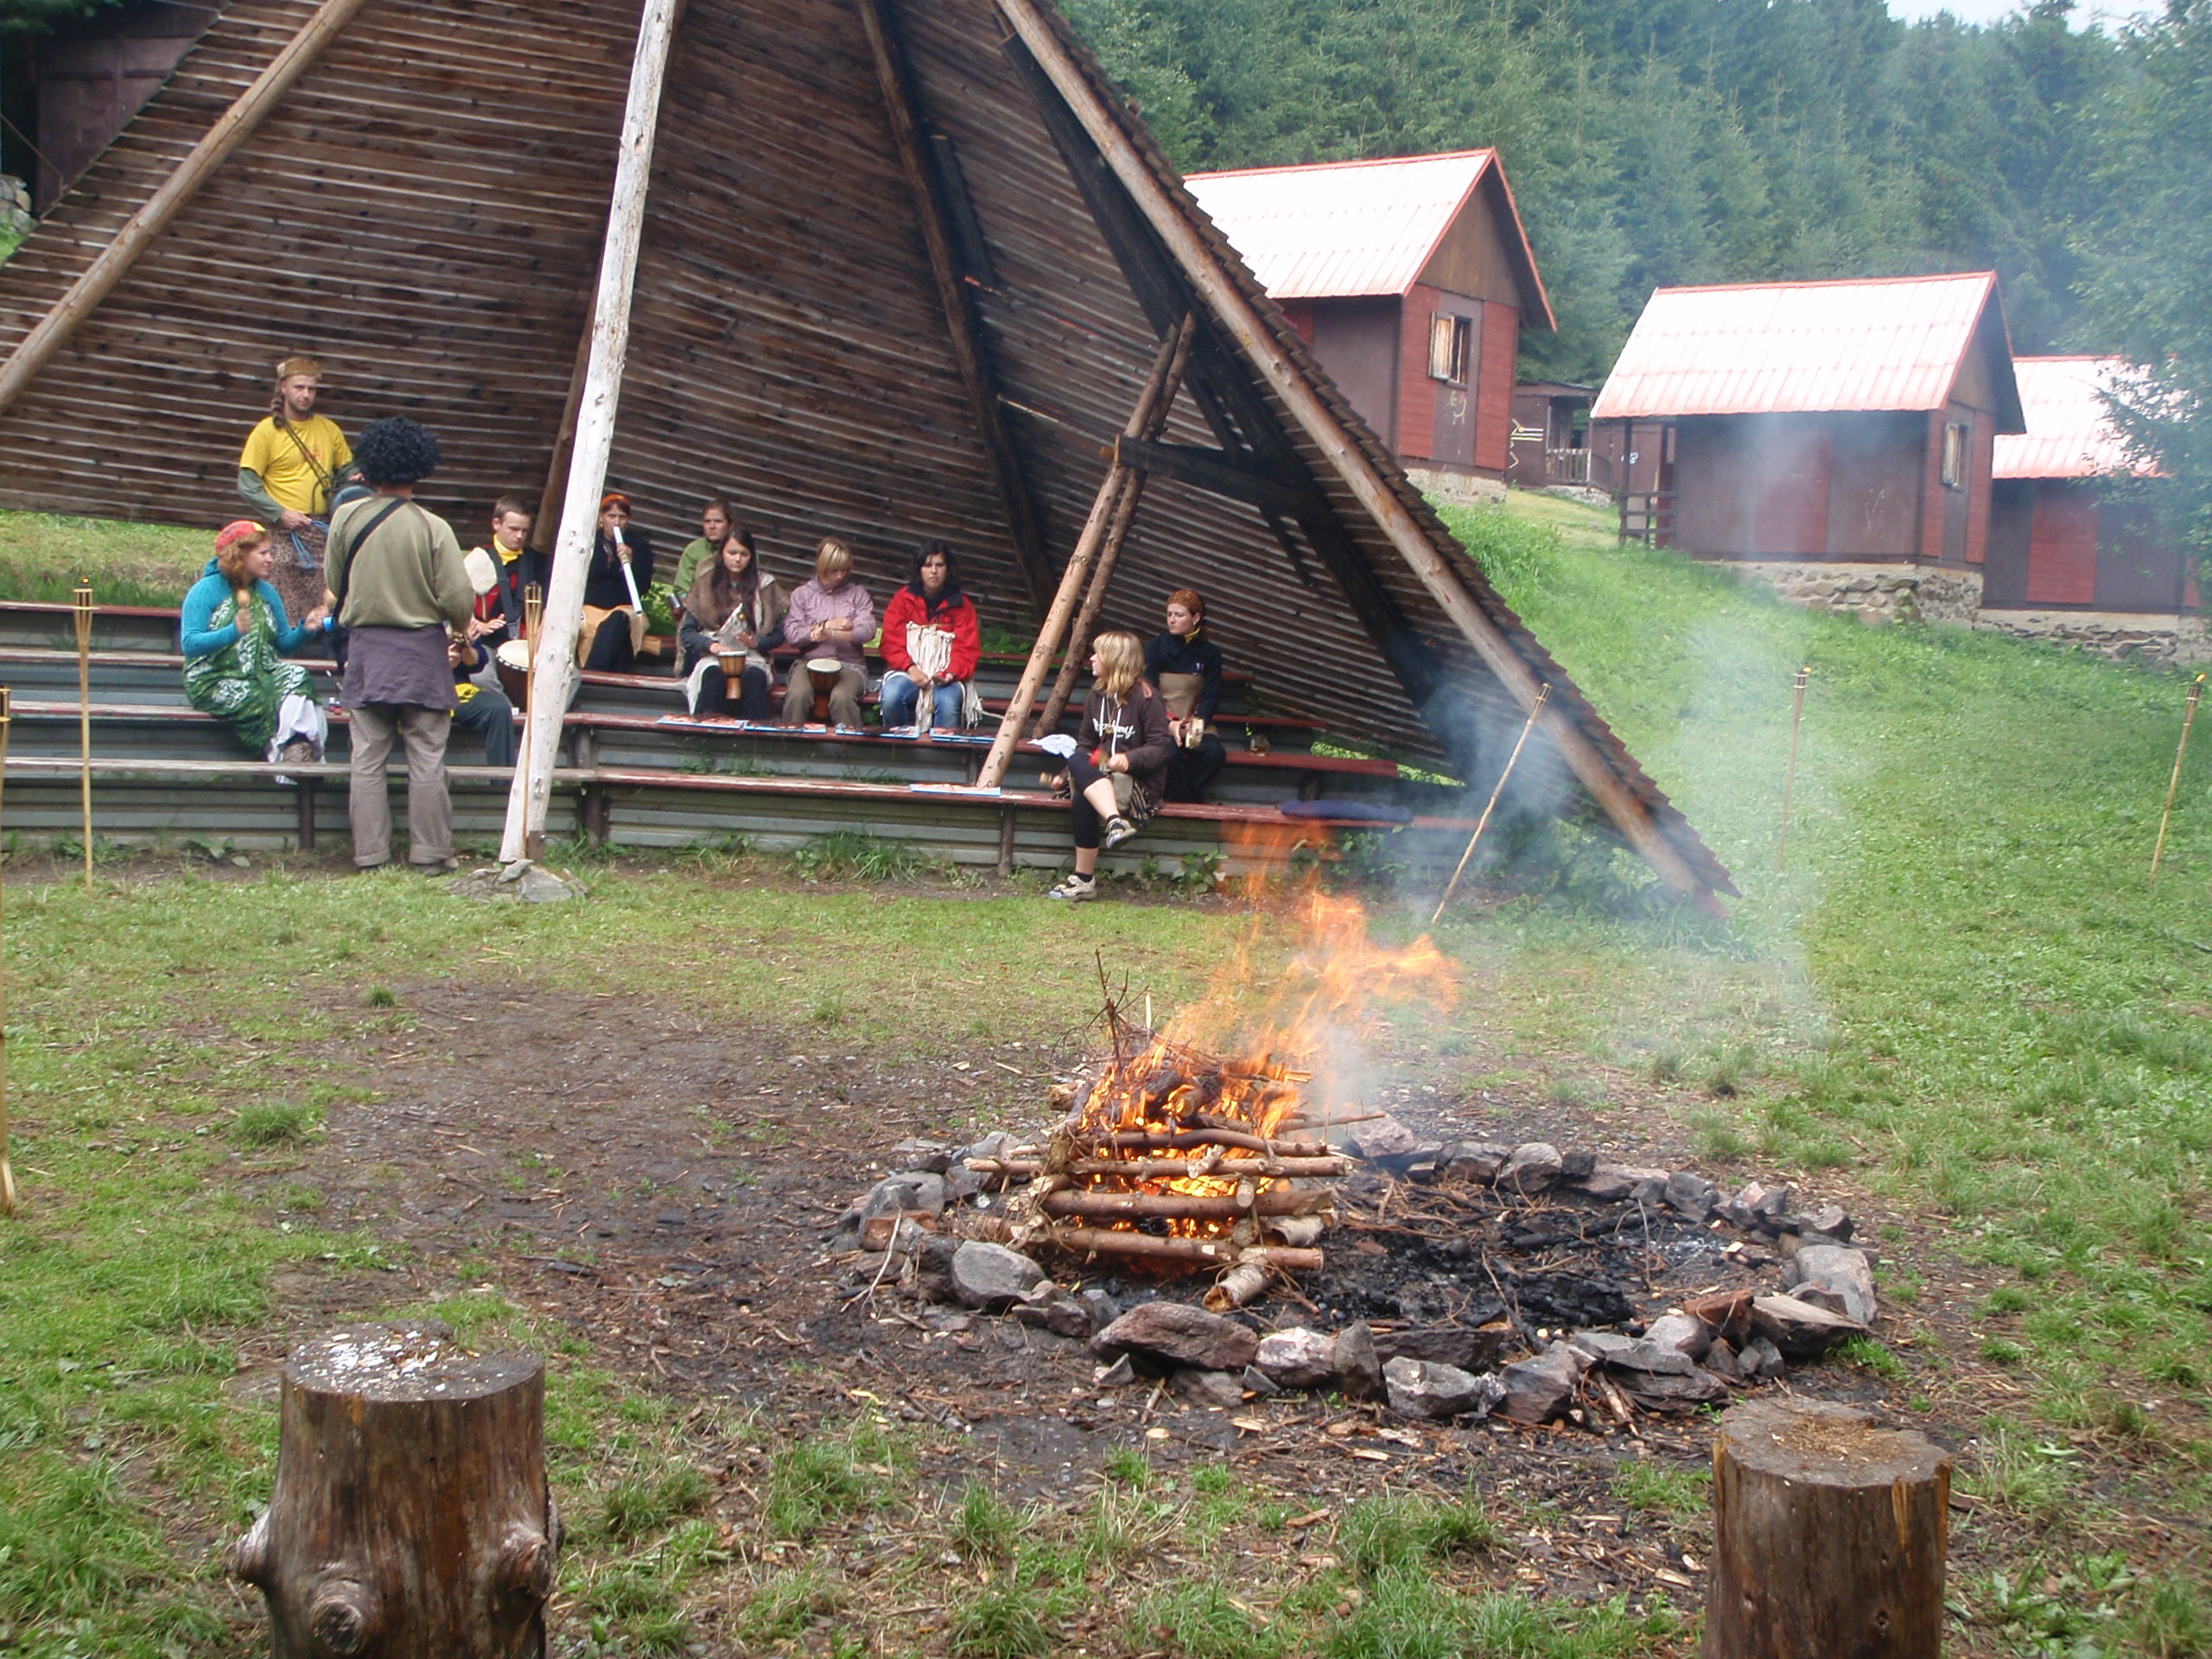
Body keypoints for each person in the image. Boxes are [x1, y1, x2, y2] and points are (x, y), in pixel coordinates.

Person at [323, 416, 474, 873]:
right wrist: (459, 626)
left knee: (367, 757)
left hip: (367, 651)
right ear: (420, 468)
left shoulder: (346, 518)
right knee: (427, 756)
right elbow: (458, 598)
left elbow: (334, 582)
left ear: (370, 466)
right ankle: (430, 853)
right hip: (422, 653)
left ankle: (370, 854)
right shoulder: (433, 527)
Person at [181, 519, 334, 765]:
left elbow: (284, 644)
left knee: (297, 675)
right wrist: (232, 632)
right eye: (263, 553)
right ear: (240, 555)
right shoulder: (205, 590)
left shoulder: (267, 591)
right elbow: (190, 644)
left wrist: (306, 629)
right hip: (213, 679)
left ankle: (298, 747)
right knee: (260, 697)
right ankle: (289, 754)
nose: (270, 559)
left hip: (262, 674)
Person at [1046, 629, 1172, 902]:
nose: (1092, 659)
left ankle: (1085, 877)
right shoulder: (1096, 695)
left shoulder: (1147, 697)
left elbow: (1161, 747)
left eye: (1098, 654)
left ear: (1115, 660)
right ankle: (1113, 828)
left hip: (1137, 785)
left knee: (1083, 785)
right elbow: (1086, 745)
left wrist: (1129, 759)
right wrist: (1066, 774)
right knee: (1078, 771)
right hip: (1101, 778)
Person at [237, 355, 352, 630]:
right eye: (299, 387)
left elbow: (348, 469)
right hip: (281, 531)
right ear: (284, 388)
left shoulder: (328, 430)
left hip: (321, 530)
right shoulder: (266, 432)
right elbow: (247, 485)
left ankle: (326, 641)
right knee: (278, 577)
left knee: (331, 592)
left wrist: (355, 476)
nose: (306, 394)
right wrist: (281, 513)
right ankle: (284, 639)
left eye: (311, 389)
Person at [681, 528, 786, 719]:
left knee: (754, 677)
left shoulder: (765, 585)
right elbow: (687, 633)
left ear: (751, 557)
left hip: (753, 657)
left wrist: (758, 643)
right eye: (732, 553)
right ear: (722, 553)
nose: (738, 559)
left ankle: (756, 732)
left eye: (744, 554)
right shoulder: (705, 584)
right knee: (714, 676)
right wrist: (711, 645)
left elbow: (779, 634)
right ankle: (705, 728)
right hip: (713, 657)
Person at [878, 539, 981, 732]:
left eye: (939, 565)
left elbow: (968, 649)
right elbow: (891, 642)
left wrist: (949, 674)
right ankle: (898, 745)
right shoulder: (903, 599)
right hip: (907, 672)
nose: (934, 571)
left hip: (948, 678)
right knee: (892, 696)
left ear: (948, 569)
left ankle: (942, 751)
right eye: (928, 565)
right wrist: (912, 669)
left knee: (948, 703)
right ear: (920, 569)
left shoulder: (962, 605)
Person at [779, 537, 874, 726]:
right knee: (798, 695)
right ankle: (790, 738)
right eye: (834, 570)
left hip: (850, 665)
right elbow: (792, 634)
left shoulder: (857, 594)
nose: (840, 576)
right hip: (808, 664)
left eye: (844, 570)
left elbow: (867, 630)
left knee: (842, 697)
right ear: (822, 567)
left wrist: (832, 635)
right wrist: (824, 627)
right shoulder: (802, 594)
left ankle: (848, 741)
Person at [1145, 588, 1226, 802]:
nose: (1172, 620)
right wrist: (1169, 723)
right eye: (1169, 614)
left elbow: (1211, 694)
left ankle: (1185, 797)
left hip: (1195, 722)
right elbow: (1148, 692)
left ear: (1195, 618)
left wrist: (1198, 722)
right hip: (1162, 721)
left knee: (1214, 754)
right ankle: (1187, 802)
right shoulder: (1155, 648)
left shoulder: (1210, 653)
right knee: (1171, 756)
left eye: (1179, 615)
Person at [449, 555, 519, 768]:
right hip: (417, 688)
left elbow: (476, 662)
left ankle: (503, 782)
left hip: (454, 690)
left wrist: (466, 646)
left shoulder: (455, 610)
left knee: (499, 708)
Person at [579, 493, 655, 671]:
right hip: (590, 608)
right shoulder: (588, 542)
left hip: (624, 609)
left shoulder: (639, 546)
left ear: (628, 520)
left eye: (622, 517)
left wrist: (631, 562)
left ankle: (593, 672)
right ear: (601, 518)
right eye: (611, 516)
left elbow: (643, 587)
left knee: (617, 621)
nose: (616, 522)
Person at [671, 498, 734, 597]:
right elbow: (682, 590)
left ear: (730, 525)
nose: (712, 526)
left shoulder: (741, 549)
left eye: (718, 521)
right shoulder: (694, 551)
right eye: (707, 521)